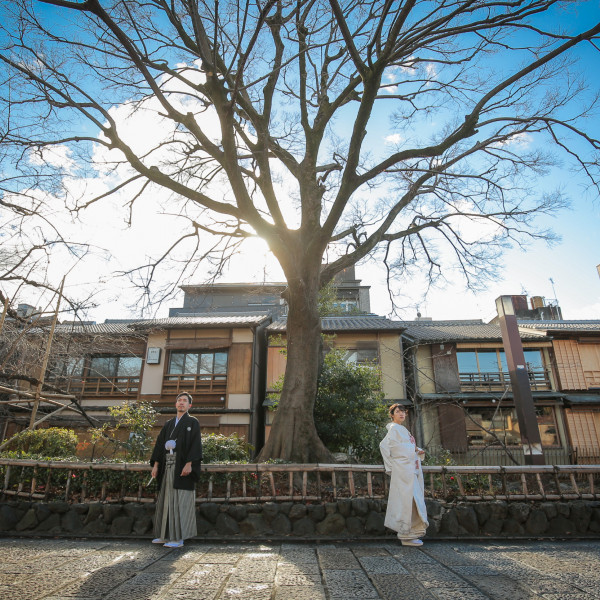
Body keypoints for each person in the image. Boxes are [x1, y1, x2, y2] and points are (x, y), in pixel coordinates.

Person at [150, 391, 202, 548]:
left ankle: (178, 538)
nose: (181, 403)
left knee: (180, 501)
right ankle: (164, 535)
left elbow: (195, 444)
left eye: (184, 401)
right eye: (179, 400)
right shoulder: (168, 424)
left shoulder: (193, 422)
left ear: (189, 405)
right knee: (165, 499)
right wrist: (156, 465)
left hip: (182, 467)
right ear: (175, 404)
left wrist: (190, 463)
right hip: (167, 466)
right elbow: (160, 445)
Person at [379, 403, 428, 546]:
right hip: (403, 470)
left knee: (412, 501)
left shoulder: (402, 429)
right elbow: (392, 448)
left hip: (407, 469)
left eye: (403, 412)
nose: (401, 414)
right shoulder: (394, 429)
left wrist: (416, 450)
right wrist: (412, 450)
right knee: (407, 501)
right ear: (392, 414)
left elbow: (406, 447)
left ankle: (410, 533)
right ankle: (405, 534)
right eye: (398, 411)